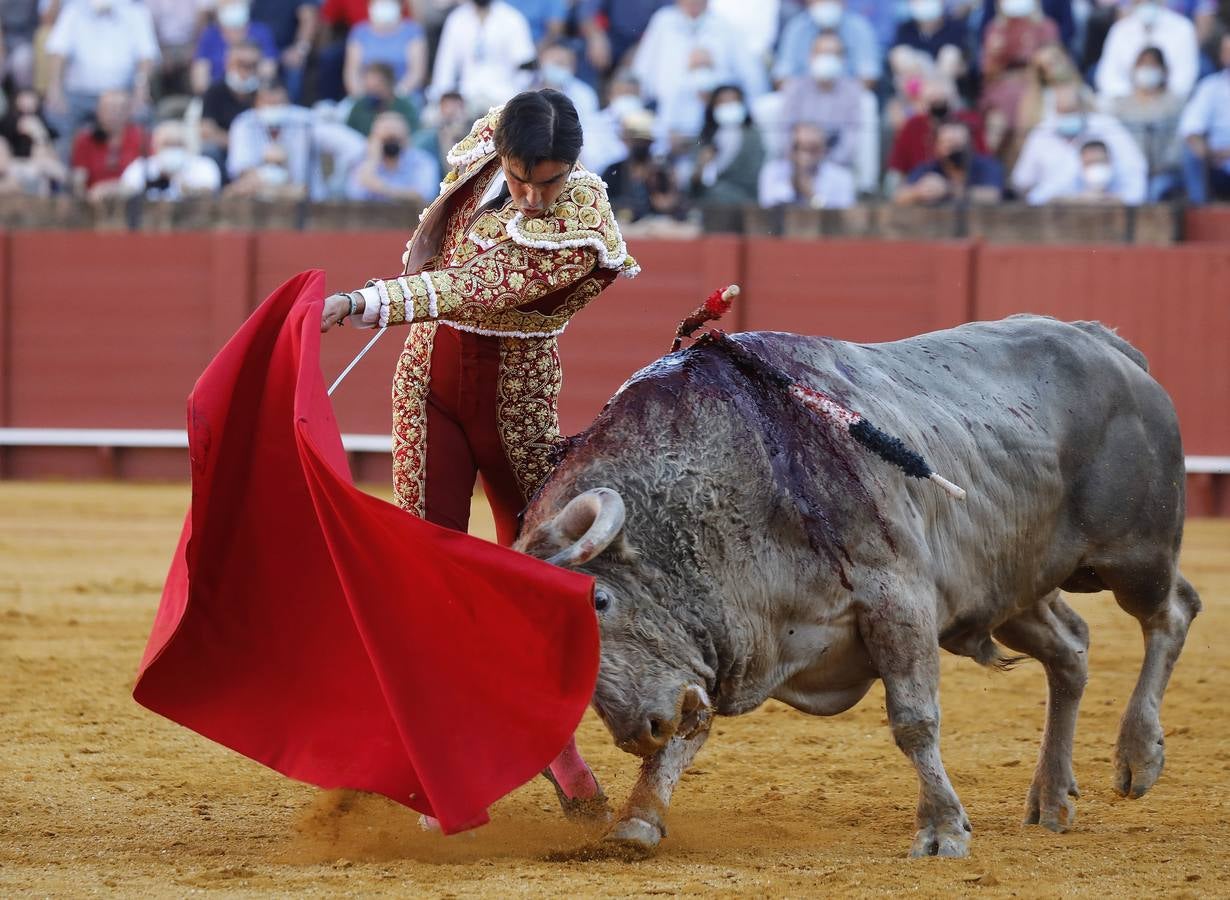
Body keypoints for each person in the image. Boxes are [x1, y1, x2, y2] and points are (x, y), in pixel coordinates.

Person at [319, 89, 637, 818]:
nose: (530, 195)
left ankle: (557, 751)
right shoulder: (488, 140)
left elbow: (472, 286)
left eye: (547, 180)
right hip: (426, 381)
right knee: (425, 575)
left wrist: (365, 301)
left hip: (516, 406)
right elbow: (441, 240)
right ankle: (430, 759)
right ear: (502, 152)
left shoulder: (582, 219)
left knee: (532, 581)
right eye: (520, 176)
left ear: (574, 168)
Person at [44, 0, 160, 150]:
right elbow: (58, 51)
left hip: (123, 95)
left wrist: (141, 88)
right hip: (79, 96)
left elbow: (147, 55)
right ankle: (67, 170)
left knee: (142, 114)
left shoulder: (136, 12)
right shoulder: (73, 10)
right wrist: (55, 88)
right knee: (55, 114)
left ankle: (132, 169)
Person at [1012, 82, 1147, 203]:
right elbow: (1025, 186)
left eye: (1072, 110)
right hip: (1058, 214)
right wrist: (1074, 200)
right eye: (1062, 111)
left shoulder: (1107, 126)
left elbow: (1135, 178)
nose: (1067, 116)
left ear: (1083, 107)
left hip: (1114, 209)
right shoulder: (1042, 132)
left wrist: (1113, 199)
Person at [779, 32, 864, 170]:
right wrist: (798, 160)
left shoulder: (852, 91)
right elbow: (783, 132)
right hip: (795, 163)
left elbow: (851, 138)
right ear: (811, 57)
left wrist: (827, 165)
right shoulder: (794, 88)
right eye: (823, 53)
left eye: (833, 54)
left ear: (843, 60)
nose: (827, 59)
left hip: (836, 166)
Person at [1110, 46, 1185, 200]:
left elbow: (1179, 142)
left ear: (1164, 70)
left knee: (1155, 191)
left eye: (1153, 65)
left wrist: (1162, 166)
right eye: (1142, 64)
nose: (1147, 69)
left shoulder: (1176, 104)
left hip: (1164, 172)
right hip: (1126, 170)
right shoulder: (1120, 106)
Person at [429, 0, 535, 108]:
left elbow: (526, 67)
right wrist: (442, 99)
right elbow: (445, 66)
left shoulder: (512, 18)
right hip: (466, 97)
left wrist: (515, 98)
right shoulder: (456, 19)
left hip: (504, 97)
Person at [1096, 0, 1199, 101]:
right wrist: (1136, 98)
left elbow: (1184, 79)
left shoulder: (1183, 28)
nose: (1146, 2)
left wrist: (1160, 98)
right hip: (1127, 104)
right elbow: (1107, 77)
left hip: (1170, 105)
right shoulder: (1119, 29)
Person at [895, 118, 1004, 204]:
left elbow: (993, 195)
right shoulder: (930, 168)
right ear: (937, 147)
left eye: (959, 143)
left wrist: (947, 190)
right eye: (949, 143)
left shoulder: (987, 165)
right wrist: (919, 192)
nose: (954, 149)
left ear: (970, 145)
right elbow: (899, 195)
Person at [774, 0, 883, 86]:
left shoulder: (859, 27)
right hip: (803, 98)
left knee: (867, 101)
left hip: (848, 98)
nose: (826, 2)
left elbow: (869, 76)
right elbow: (782, 76)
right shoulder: (797, 27)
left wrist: (837, 95)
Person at [688, 85, 765, 206]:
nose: (728, 106)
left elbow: (753, 174)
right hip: (706, 202)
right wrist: (701, 165)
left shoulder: (753, 136)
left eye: (733, 101)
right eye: (723, 102)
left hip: (742, 201)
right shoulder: (704, 137)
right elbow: (692, 181)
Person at [1178, 33, 1230, 204]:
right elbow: (1191, 130)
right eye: (1227, 51)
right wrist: (1206, 152)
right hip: (1218, 163)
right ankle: (1199, 211)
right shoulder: (1210, 87)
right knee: (1190, 153)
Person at [345, 110, 439, 201]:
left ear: (406, 138)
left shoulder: (422, 161)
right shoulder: (362, 162)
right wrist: (372, 160)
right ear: (374, 139)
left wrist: (379, 187)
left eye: (395, 139)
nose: (391, 144)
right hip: (369, 217)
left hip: (411, 216)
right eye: (386, 139)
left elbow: (425, 195)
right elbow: (354, 195)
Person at [69, 90, 148, 199]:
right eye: (108, 108)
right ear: (98, 111)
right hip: (93, 203)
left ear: (129, 112)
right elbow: (79, 178)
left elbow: (147, 175)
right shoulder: (86, 139)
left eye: (119, 109)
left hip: (132, 201)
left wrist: (112, 189)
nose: (113, 113)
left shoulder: (141, 137)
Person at [758, 121, 857, 208]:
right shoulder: (773, 171)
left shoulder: (842, 177)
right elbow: (769, 208)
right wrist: (794, 185)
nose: (804, 155)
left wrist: (812, 196)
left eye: (812, 149)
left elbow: (842, 219)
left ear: (823, 150)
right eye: (798, 147)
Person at [119, 119, 222, 200]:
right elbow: (127, 191)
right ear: (155, 147)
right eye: (167, 144)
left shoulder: (204, 166)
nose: (173, 149)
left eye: (178, 144)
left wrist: (178, 181)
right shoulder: (141, 167)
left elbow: (209, 193)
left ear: (187, 146)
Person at [200, 41, 263, 172]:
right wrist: (240, 144)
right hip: (227, 149)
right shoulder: (215, 91)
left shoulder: (266, 91)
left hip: (261, 151)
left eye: (252, 65)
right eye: (241, 64)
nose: (246, 71)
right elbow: (207, 131)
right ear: (228, 63)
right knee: (209, 151)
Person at [192, 1, 280, 94]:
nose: (233, 5)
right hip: (218, 92)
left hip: (255, 94)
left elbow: (268, 70)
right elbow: (200, 75)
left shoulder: (261, 31)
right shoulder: (210, 34)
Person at [343, 0, 427, 98]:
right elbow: (352, 73)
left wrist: (396, 95)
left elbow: (417, 73)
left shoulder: (413, 31)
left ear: (400, 5)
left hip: (405, 96)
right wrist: (361, 98)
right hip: (366, 97)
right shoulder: (359, 32)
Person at [346, 61, 421, 136]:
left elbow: (413, 134)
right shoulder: (360, 106)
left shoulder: (405, 107)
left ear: (390, 85)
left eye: (377, 87)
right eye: (369, 88)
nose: (373, 92)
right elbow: (348, 134)